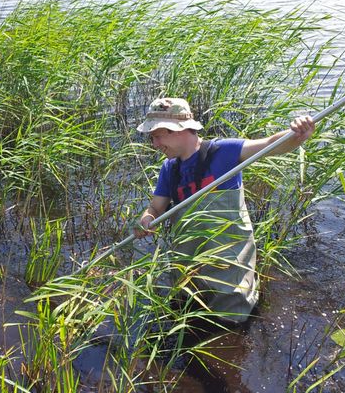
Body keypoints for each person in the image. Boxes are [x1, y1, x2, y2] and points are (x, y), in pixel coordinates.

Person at [133, 97, 315, 325]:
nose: (155, 144)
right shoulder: (170, 168)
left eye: (158, 136)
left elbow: (271, 145)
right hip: (189, 256)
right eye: (152, 137)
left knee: (231, 320)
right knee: (185, 310)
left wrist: (298, 135)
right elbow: (156, 207)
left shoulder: (223, 152)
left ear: (179, 130)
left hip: (229, 256)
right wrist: (147, 218)